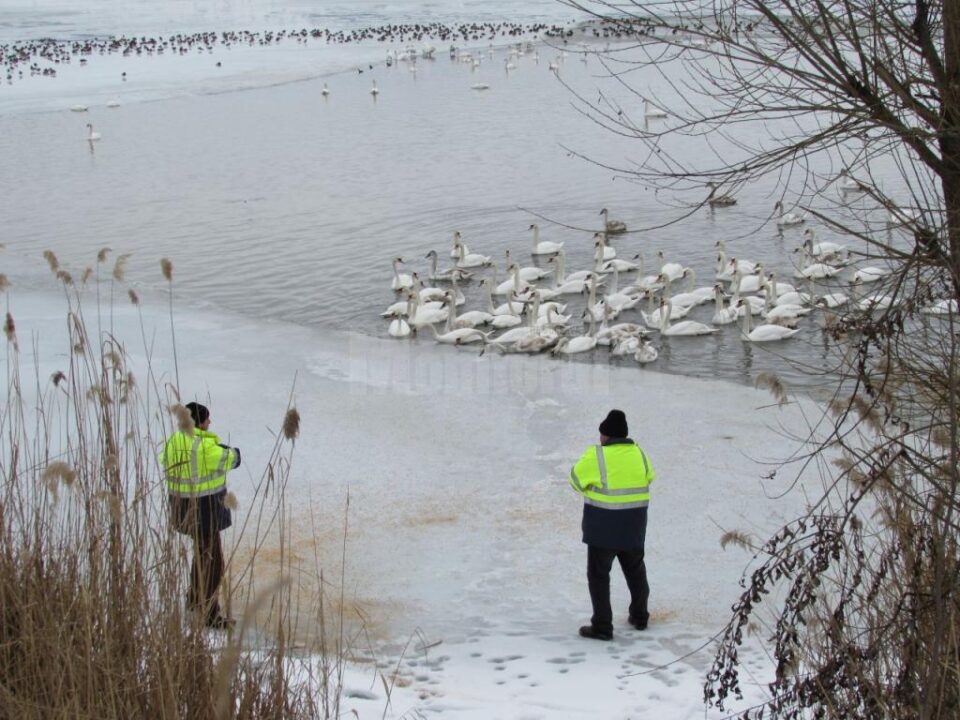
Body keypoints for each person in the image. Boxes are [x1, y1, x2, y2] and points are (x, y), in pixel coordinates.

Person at [569, 409, 655, 641]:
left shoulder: (597, 456)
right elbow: (649, 477)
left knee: (598, 576)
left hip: (602, 529)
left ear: (606, 436)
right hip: (634, 527)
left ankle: (602, 626)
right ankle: (640, 616)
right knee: (636, 571)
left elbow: (575, 480)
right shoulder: (640, 453)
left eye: (601, 434)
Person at [162, 401, 241, 629]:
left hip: (181, 510)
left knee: (201, 556)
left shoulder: (174, 441)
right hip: (204, 512)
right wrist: (230, 450)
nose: (210, 422)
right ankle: (209, 614)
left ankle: (194, 599)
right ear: (200, 423)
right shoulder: (202, 446)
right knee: (213, 562)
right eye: (208, 419)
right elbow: (233, 459)